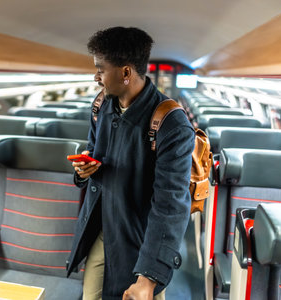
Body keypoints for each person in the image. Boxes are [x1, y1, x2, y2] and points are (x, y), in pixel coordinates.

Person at [66, 27, 195, 300]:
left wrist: (148, 276)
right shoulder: (101, 105)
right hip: (102, 228)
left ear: (126, 73)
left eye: (101, 69)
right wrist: (86, 170)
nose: (95, 77)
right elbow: (94, 152)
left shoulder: (171, 122)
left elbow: (171, 204)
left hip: (143, 239)